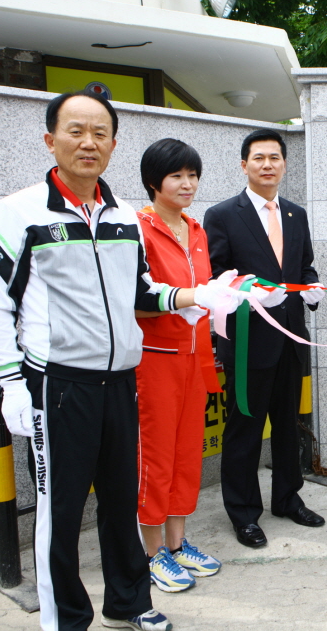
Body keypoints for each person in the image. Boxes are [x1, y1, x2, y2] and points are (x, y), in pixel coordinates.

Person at [0, 91, 246, 631]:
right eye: (76, 131)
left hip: (122, 380)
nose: (88, 142)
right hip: (57, 385)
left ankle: (128, 602)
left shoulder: (125, 217)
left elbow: (142, 293)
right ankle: (65, 619)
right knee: (62, 511)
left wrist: (199, 297)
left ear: (114, 145)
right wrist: (11, 382)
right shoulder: (18, 213)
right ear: (51, 140)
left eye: (100, 133)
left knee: (122, 500)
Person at [203, 128, 327, 548]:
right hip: (248, 341)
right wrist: (248, 290)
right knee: (246, 429)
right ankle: (243, 512)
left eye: (275, 158)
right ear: (244, 165)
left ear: (284, 164)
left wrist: (311, 291)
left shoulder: (296, 213)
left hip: (291, 338)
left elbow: (304, 266)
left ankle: (288, 499)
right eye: (259, 158)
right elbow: (215, 277)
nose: (268, 165)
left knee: (289, 425)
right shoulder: (222, 215)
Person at [134, 139, 227, 593]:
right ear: (154, 182)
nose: (187, 184)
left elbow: (206, 290)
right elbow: (134, 302)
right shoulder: (138, 229)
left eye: (193, 175)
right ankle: (150, 554)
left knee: (188, 454)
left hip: (196, 357)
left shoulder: (197, 229)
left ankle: (177, 543)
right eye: (177, 176)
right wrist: (187, 301)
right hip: (155, 362)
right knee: (156, 458)